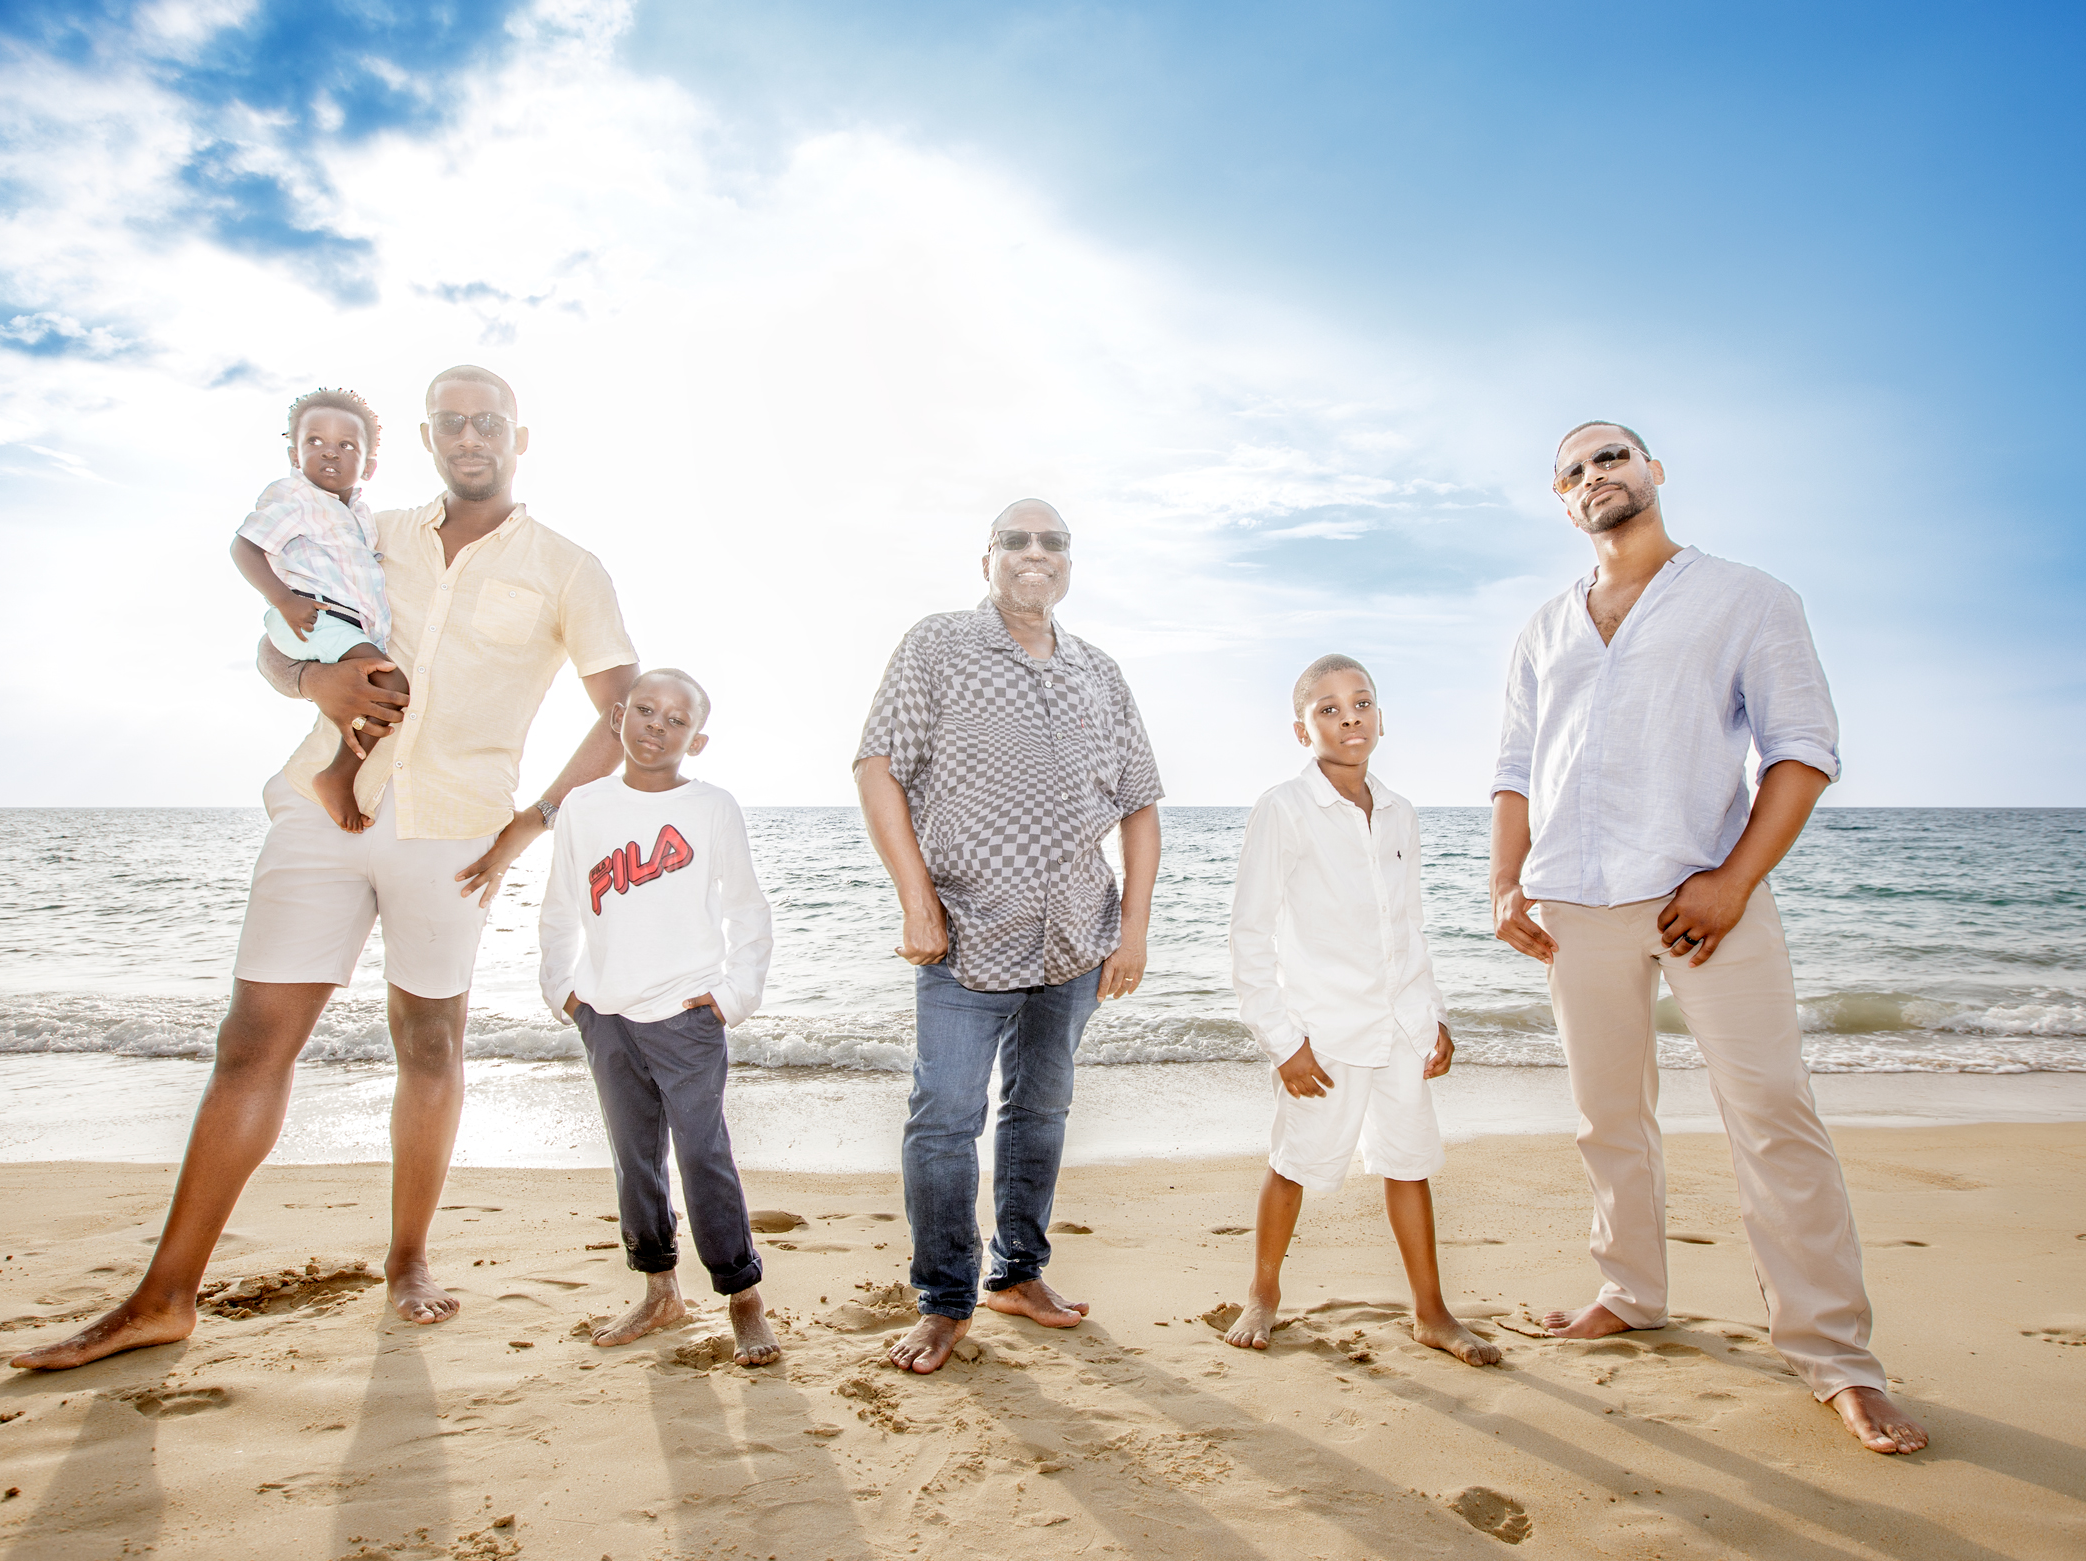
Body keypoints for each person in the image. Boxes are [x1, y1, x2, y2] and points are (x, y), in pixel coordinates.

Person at [14, 365, 640, 1370]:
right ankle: (164, 1295)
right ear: (431, 441)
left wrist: (530, 826)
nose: (469, 436)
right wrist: (316, 679)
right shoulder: (363, 529)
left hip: (455, 836)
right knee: (252, 1039)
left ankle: (406, 1261)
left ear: (522, 438)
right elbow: (274, 642)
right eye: (450, 424)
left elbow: (627, 709)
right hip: (322, 804)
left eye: (489, 422)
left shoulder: (569, 567)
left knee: (428, 1041)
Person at [1488, 420, 1926, 1454]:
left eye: (1614, 455)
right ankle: (1630, 1291)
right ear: (1562, 502)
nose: (1597, 475)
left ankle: (1834, 1357)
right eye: (1575, 469)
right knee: (1607, 1115)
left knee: (1771, 1111)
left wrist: (1734, 880)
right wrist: (1506, 883)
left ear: (1654, 471)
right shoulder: (1542, 629)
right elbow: (1515, 768)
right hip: (1575, 906)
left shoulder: (1748, 598)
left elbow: (1804, 750)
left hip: (1703, 899)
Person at [854, 498, 1163, 1374]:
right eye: (1016, 540)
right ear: (986, 557)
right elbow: (878, 768)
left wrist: (1132, 929)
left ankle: (1018, 1274)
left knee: (1040, 1109)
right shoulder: (939, 645)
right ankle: (944, 1301)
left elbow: (1140, 804)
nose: (1036, 554)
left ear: (1070, 561)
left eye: (1053, 542)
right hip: (965, 932)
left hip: (1074, 938)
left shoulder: (1099, 673)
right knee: (944, 1118)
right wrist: (916, 900)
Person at [1224, 655, 1500, 1367]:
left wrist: (1431, 1014)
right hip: (1326, 1032)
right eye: (1328, 707)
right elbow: (1250, 936)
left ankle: (1432, 1312)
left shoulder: (1401, 811)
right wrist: (1283, 1042)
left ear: (1381, 717)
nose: (1349, 716)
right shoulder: (1282, 810)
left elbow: (1406, 925)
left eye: (1362, 702)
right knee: (1295, 1163)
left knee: (1410, 1165)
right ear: (1301, 729)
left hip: (1401, 1024)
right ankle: (1262, 1292)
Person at [539, 668, 781, 1366]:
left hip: (684, 1014)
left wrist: (734, 996)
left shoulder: (711, 807)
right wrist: (564, 992)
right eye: (645, 710)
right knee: (634, 1158)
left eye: (676, 720)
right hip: (606, 1015)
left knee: (704, 1155)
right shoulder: (583, 806)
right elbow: (560, 908)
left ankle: (743, 1297)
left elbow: (747, 910)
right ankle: (659, 1290)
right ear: (619, 717)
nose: (656, 726)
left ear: (696, 740)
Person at [227, 387, 409, 834]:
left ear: (368, 465)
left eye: (346, 445)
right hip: (312, 615)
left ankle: (340, 751)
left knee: (378, 691)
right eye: (315, 442)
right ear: (294, 453)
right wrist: (283, 600)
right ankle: (337, 776)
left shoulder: (361, 515)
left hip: (343, 623)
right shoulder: (294, 498)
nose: (330, 453)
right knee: (392, 682)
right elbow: (244, 546)